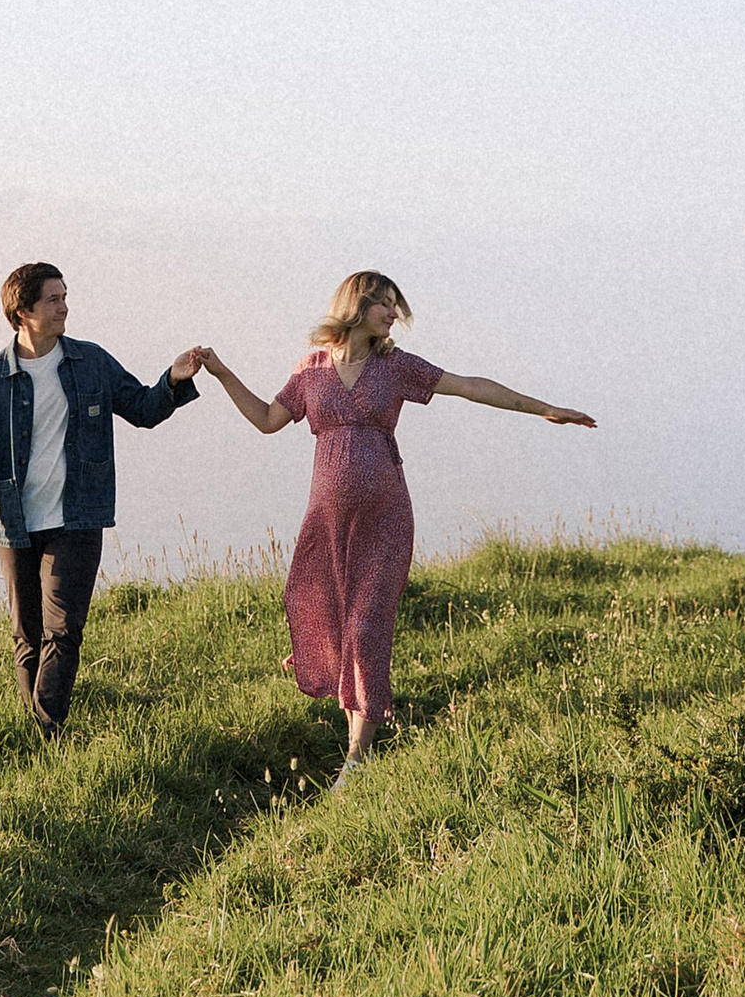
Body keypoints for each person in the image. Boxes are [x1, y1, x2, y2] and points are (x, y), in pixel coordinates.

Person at [197, 272, 594, 783]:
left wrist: (544, 410)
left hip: (384, 520)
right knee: (339, 632)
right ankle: (354, 748)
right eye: (384, 305)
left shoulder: (396, 367)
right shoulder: (311, 370)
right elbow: (268, 419)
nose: (393, 315)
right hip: (327, 523)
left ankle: (356, 760)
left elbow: (469, 386)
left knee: (366, 629)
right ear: (355, 307)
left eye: (394, 306)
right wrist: (222, 373)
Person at [0, 263, 207, 738]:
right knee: (27, 635)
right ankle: (42, 737)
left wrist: (174, 380)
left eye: (65, 297)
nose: (64, 307)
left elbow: (142, 408)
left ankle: (46, 733)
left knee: (64, 629)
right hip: (14, 524)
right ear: (23, 312)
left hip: (77, 520)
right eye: (53, 300)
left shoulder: (91, 362)